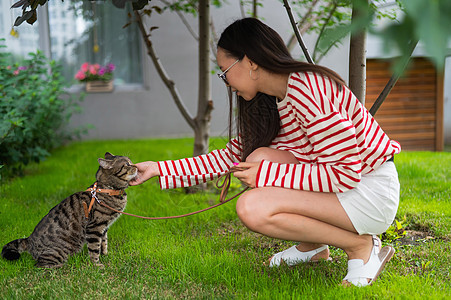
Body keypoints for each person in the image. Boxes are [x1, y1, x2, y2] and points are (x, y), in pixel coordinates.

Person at [130, 18, 401, 287]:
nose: (225, 82)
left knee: (252, 206)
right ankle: (314, 246)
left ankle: (360, 247)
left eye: (225, 71)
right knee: (257, 156)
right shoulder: (274, 98)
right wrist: (158, 169)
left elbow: (345, 173)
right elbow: (230, 156)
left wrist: (268, 174)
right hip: (348, 189)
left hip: (370, 191)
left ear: (250, 61)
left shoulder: (309, 90)